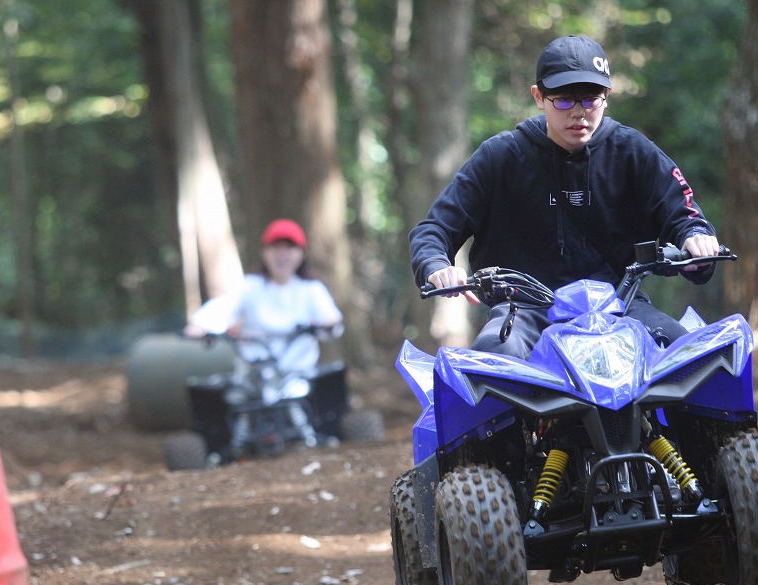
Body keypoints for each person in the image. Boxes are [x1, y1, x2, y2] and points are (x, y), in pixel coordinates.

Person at [410, 35, 723, 357]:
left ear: (607, 96)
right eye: (563, 100)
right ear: (539, 97)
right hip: (524, 309)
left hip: (620, 305)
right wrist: (436, 265)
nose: (578, 113)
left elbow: (685, 216)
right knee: (492, 361)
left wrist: (696, 240)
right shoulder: (499, 156)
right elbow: (434, 229)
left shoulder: (634, 152)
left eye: (590, 100)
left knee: (691, 358)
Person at [185, 218, 343, 375]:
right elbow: (223, 307)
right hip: (255, 375)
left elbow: (331, 319)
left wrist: (329, 323)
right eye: (276, 247)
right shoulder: (251, 286)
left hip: (299, 376)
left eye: (289, 247)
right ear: (265, 252)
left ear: (301, 253)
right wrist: (201, 325)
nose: (282, 254)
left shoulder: (311, 289)